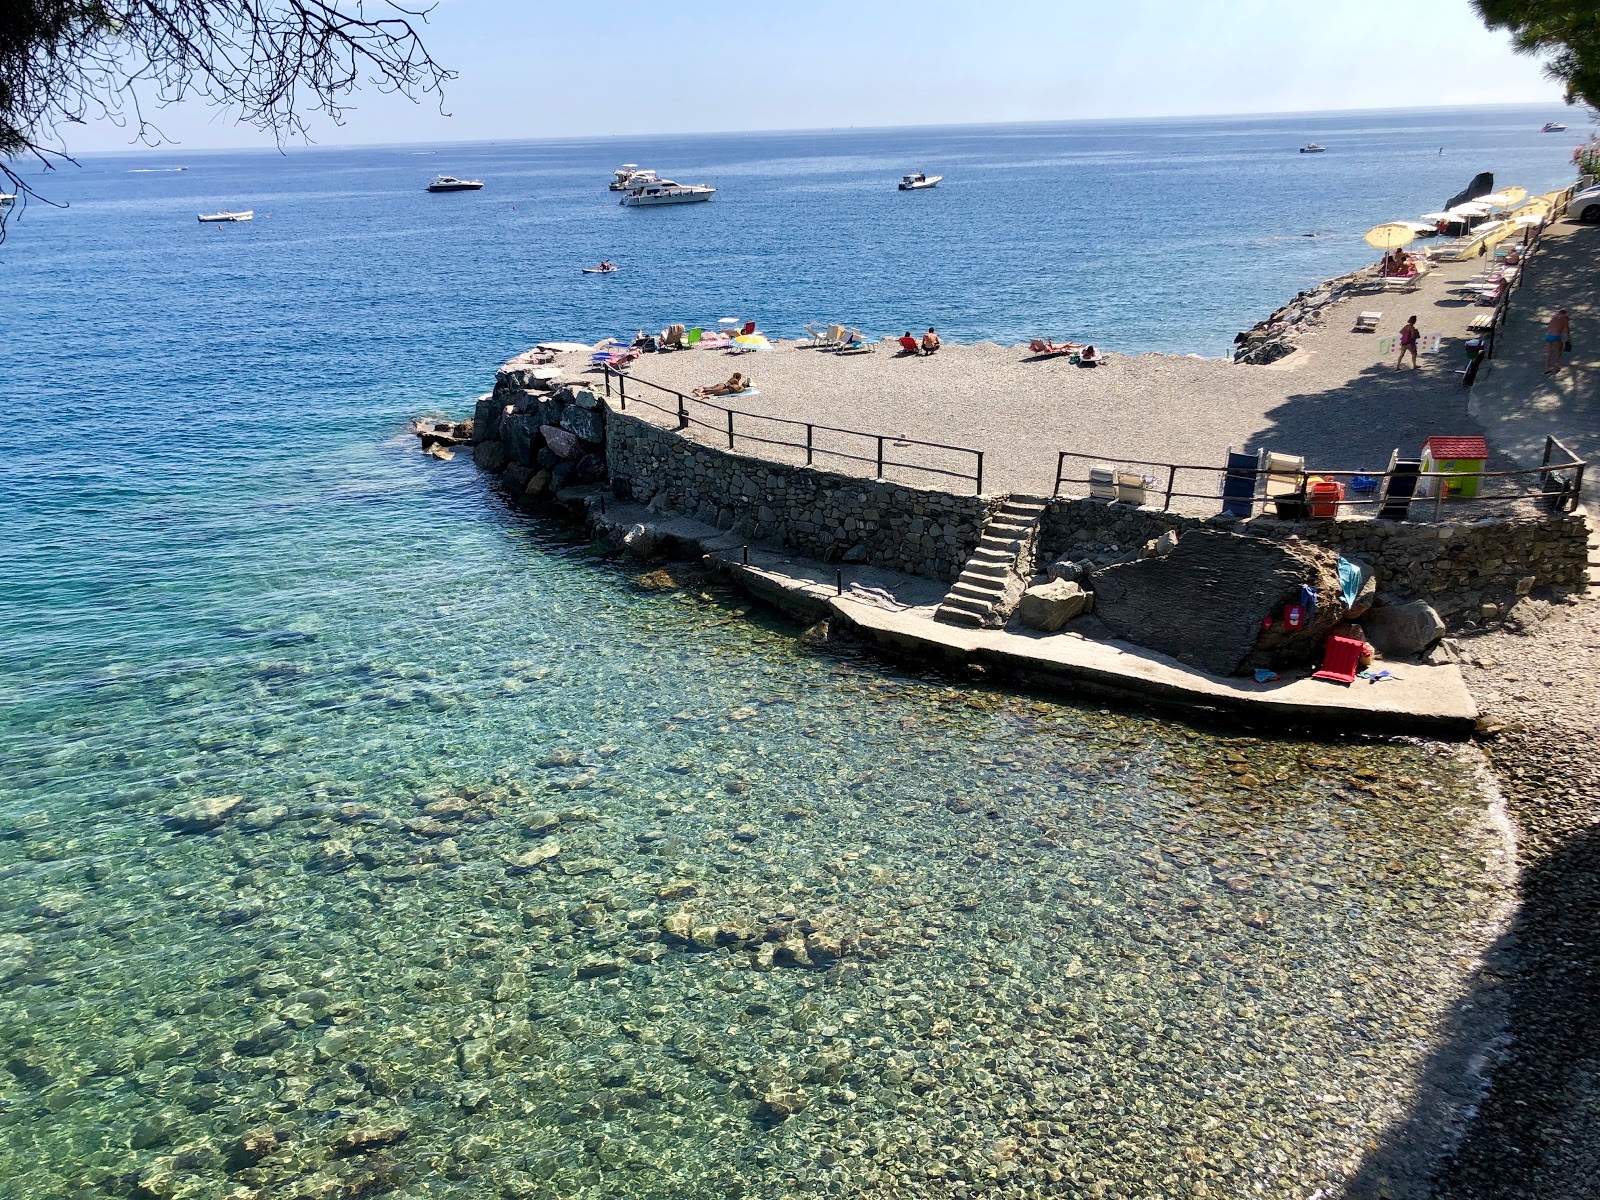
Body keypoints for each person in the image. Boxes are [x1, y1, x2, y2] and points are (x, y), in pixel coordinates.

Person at [1545, 308, 1571, 374]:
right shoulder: (1564, 319)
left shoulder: (1553, 317)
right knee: (1559, 349)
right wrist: (1568, 339)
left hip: (1547, 336)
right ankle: (1556, 366)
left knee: (1549, 352)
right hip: (1555, 336)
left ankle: (1547, 368)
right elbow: (1566, 330)